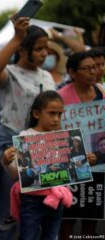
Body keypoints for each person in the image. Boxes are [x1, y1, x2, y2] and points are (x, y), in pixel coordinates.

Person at [0, 16, 56, 239]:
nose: (45, 53)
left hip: (42, 151)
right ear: (23, 50)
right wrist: (17, 37)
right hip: (11, 149)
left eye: (47, 48)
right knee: (7, 215)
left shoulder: (47, 75)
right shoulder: (11, 74)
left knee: (36, 215)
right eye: (38, 49)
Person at [1, 90, 83, 240]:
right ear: (37, 114)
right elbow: (15, 174)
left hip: (56, 199)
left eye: (59, 114)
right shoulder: (26, 137)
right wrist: (6, 161)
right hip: (32, 201)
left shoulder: (63, 137)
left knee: (51, 237)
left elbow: (71, 168)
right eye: (51, 113)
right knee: (28, 236)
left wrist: (83, 161)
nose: (56, 119)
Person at [57, 50, 105, 239]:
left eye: (95, 67)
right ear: (72, 72)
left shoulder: (102, 92)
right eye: (86, 69)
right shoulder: (59, 97)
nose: (93, 72)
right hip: (70, 167)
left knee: (91, 218)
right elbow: (53, 131)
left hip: (99, 164)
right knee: (67, 218)